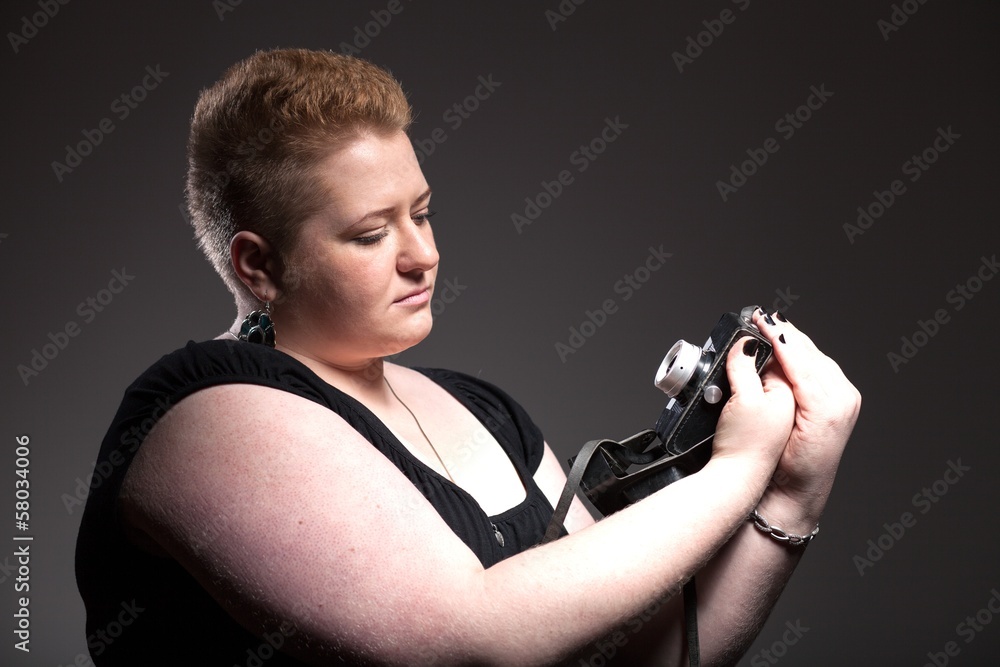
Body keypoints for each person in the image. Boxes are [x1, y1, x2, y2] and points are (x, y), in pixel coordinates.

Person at [75, 48, 861, 666]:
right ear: (258, 264)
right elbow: (479, 641)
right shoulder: (209, 417)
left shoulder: (482, 408)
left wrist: (791, 491)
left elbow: (639, 658)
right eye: (372, 232)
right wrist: (736, 470)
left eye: (422, 212)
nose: (423, 254)